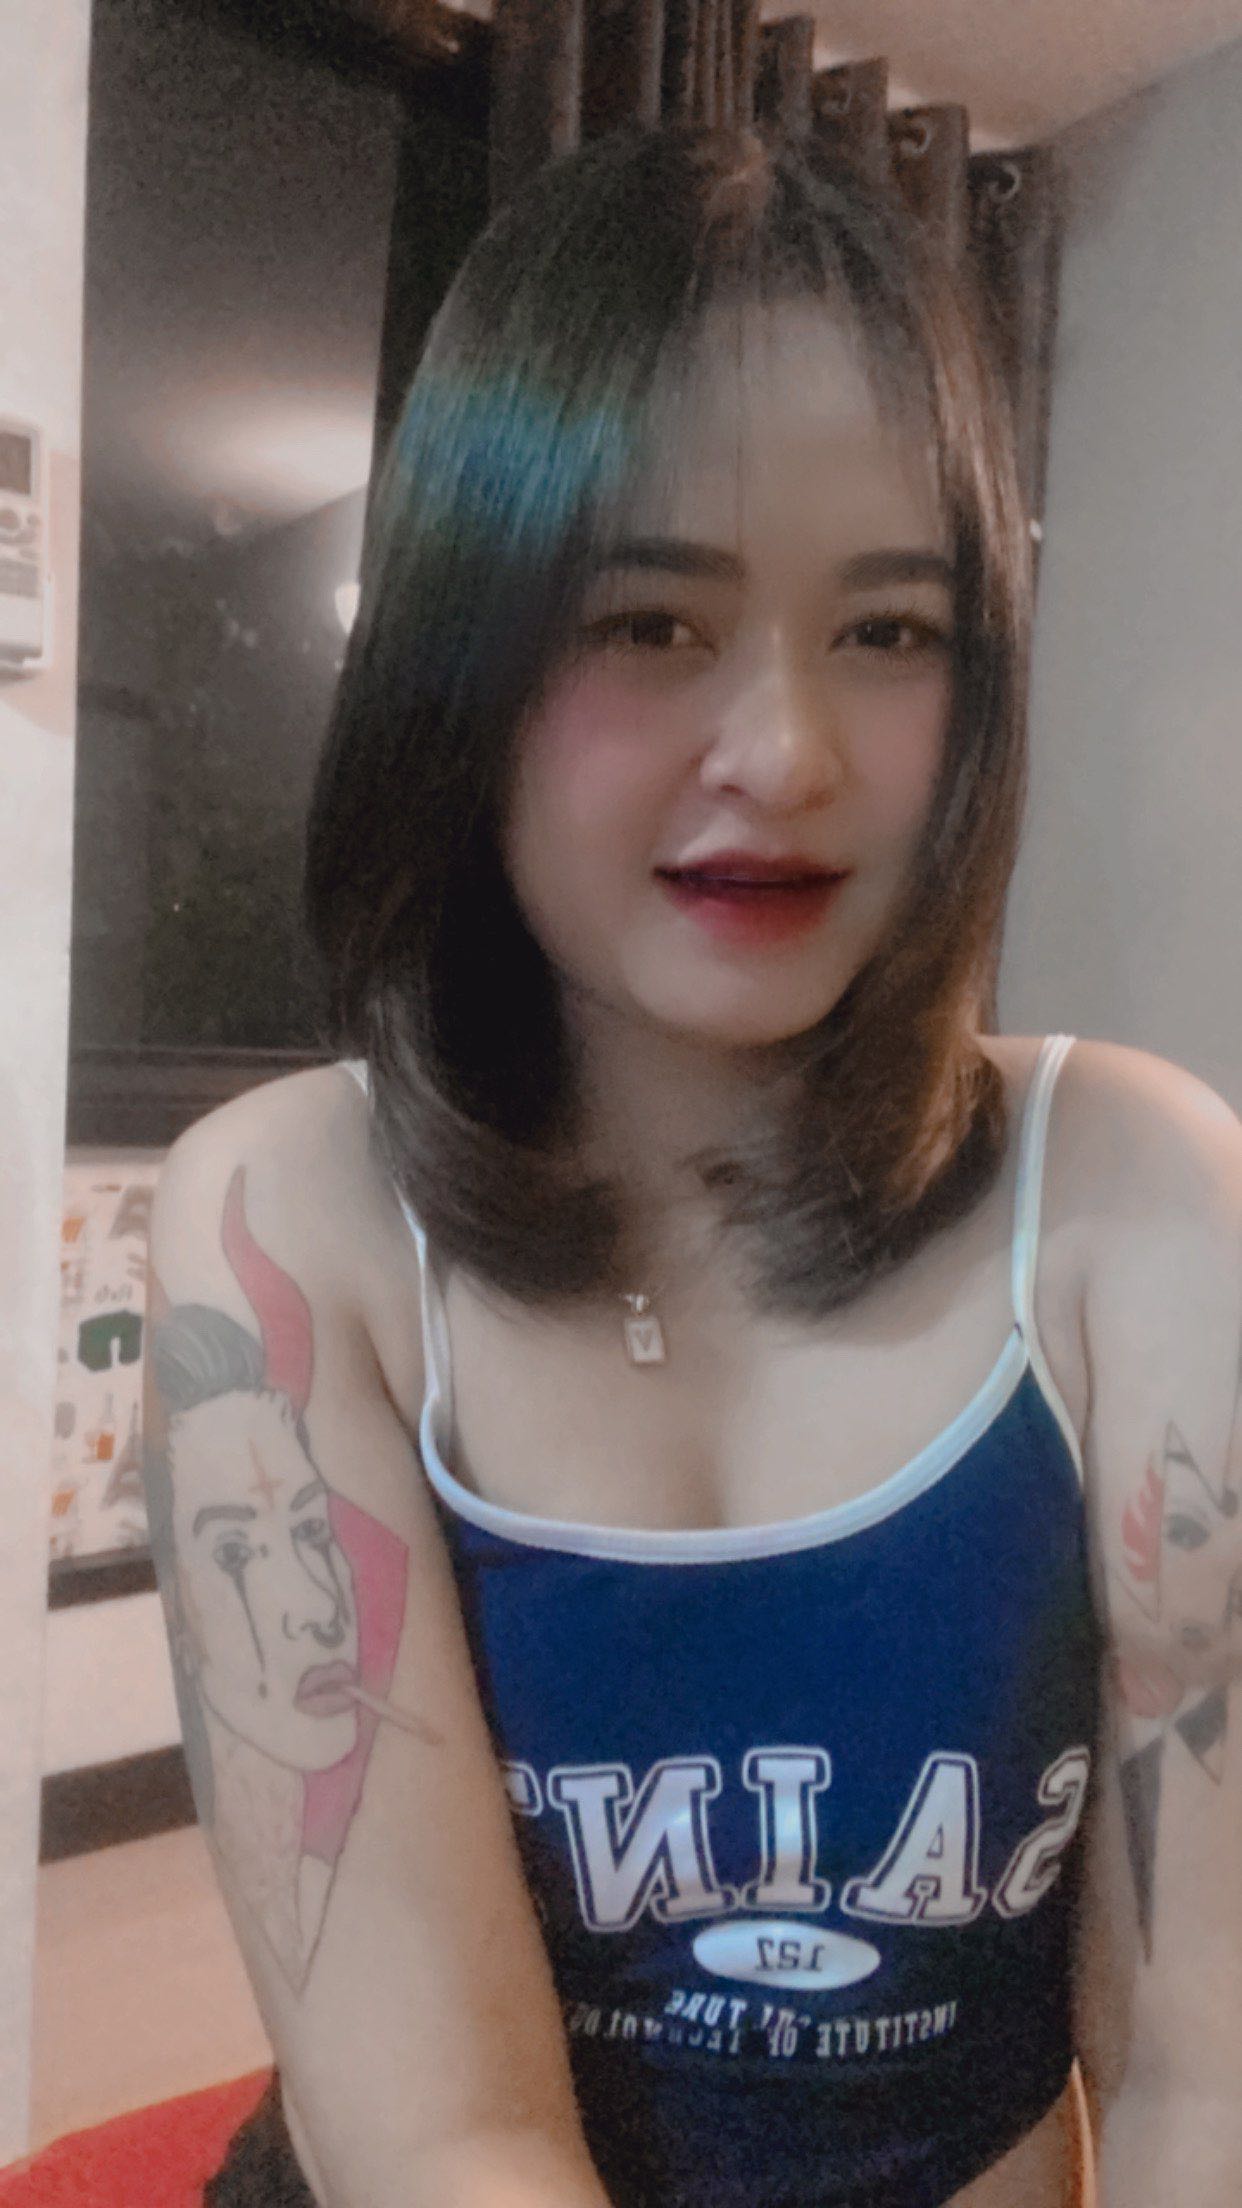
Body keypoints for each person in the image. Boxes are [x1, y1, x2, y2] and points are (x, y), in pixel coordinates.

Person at [141, 122, 1242, 2208]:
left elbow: (1208, 2083)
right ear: (464, 656)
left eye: (891, 633)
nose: (788, 755)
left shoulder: (1139, 1202)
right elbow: (440, 2135)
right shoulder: (291, 1219)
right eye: (649, 622)